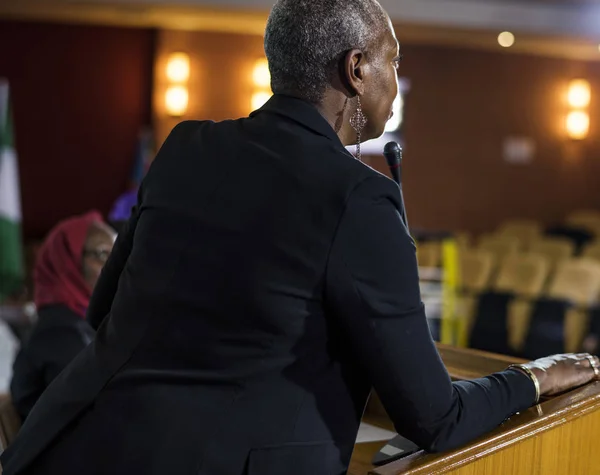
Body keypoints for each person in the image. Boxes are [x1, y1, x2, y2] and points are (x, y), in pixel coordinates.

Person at [1, 1, 599, 474]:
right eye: (393, 60)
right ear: (356, 68)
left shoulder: (185, 147)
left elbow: (106, 310)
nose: (396, 79)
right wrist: (536, 375)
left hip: (80, 441)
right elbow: (434, 417)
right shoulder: (359, 198)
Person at [9, 211, 116, 421]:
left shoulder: (82, 322)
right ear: (67, 261)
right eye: (102, 254)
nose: (114, 267)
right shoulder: (59, 329)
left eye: (116, 255)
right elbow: (92, 410)